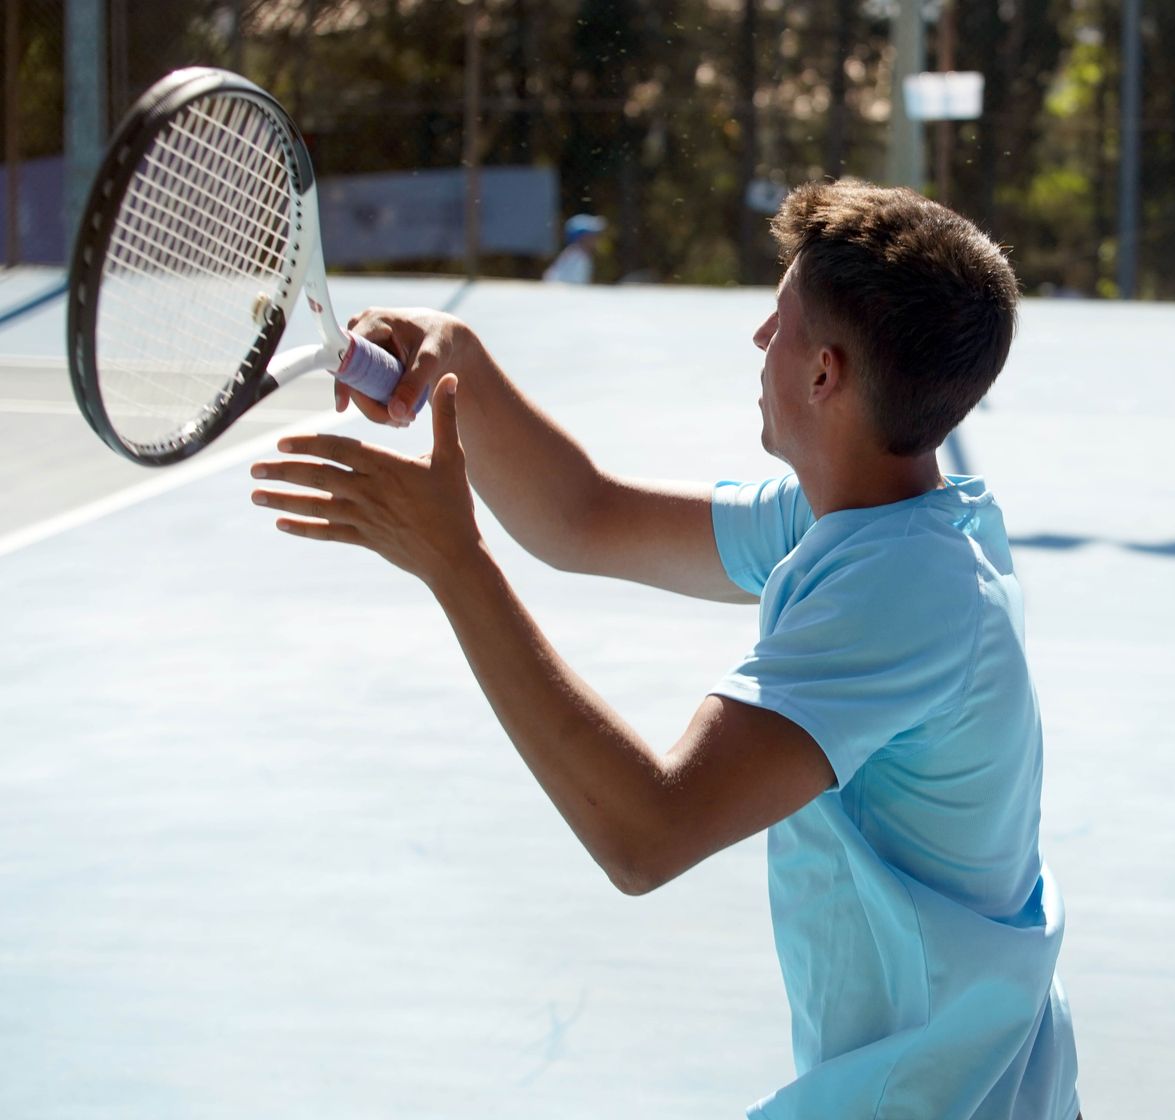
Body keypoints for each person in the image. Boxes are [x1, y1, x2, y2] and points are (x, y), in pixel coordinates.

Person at [248, 179, 1081, 1119]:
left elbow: (646, 830)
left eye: (781, 320)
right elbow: (585, 517)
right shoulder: (871, 515)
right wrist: (462, 368)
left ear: (825, 375)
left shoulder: (901, 594)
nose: (760, 342)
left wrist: (454, 562)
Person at [542, 212, 606, 283]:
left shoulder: (575, 253)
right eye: (592, 235)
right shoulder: (578, 257)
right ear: (582, 237)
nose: (596, 238)